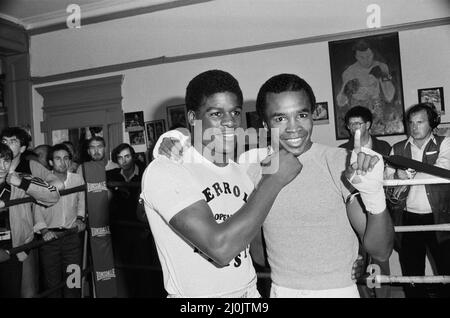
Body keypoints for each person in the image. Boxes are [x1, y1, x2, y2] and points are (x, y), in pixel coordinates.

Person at [155, 73, 394, 298]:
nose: (293, 128)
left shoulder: (338, 162)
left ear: (313, 114)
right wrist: (178, 137)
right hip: (281, 291)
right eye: (280, 118)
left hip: (338, 291)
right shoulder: (251, 168)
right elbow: (257, 253)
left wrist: (374, 196)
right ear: (265, 124)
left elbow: (381, 251)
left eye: (302, 115)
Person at [141, 69, 304, 298]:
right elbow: (220, 248)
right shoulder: (166, 169)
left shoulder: (241, 172)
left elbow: (255, 251)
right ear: (192, 118)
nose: (230, 122)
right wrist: (274, 180)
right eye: (217, 114)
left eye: (235, 112)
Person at [385, 102, 450, 298]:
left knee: (446, 269)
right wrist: (396, 178)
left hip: (440, 218)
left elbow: (442, 171)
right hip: (408, 218)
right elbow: (388, 186)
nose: (414, 127)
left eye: (420, 122)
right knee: (412, 275)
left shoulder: (445, 142)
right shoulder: (396, 148)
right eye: (411, 123)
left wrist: (408, 176)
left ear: (432, 123)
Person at [1, 127, 62, 297]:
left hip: (21, 239)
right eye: (4, 141)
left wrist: (25, 186)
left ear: (22, 148)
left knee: (26, 290)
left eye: (12, 141)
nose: (2, 165)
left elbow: (55, 190)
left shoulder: (25, 171)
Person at [339, 105, 392, 298]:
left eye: (358, 124)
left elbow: (392, 175)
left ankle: (381, 294)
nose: (353, 128)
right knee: (359, 255)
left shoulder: (384, 147)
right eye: (350, 124)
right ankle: (365, 294)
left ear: (368, 124)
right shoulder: (342, 150)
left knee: (380, 256)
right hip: (355, 206)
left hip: (380, 205)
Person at [33, 143, 85, 298]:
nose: (62, 162)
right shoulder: (42, 181)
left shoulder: (77, 179)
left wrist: (81, 218)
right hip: (50, 239)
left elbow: (81, 200)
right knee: (52, 285)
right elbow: (36, 209)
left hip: (72, 238)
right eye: (58, 159)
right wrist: (44, 230)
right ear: (50, 162)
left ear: (69, 160)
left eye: (66, 158)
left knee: (73, 282)